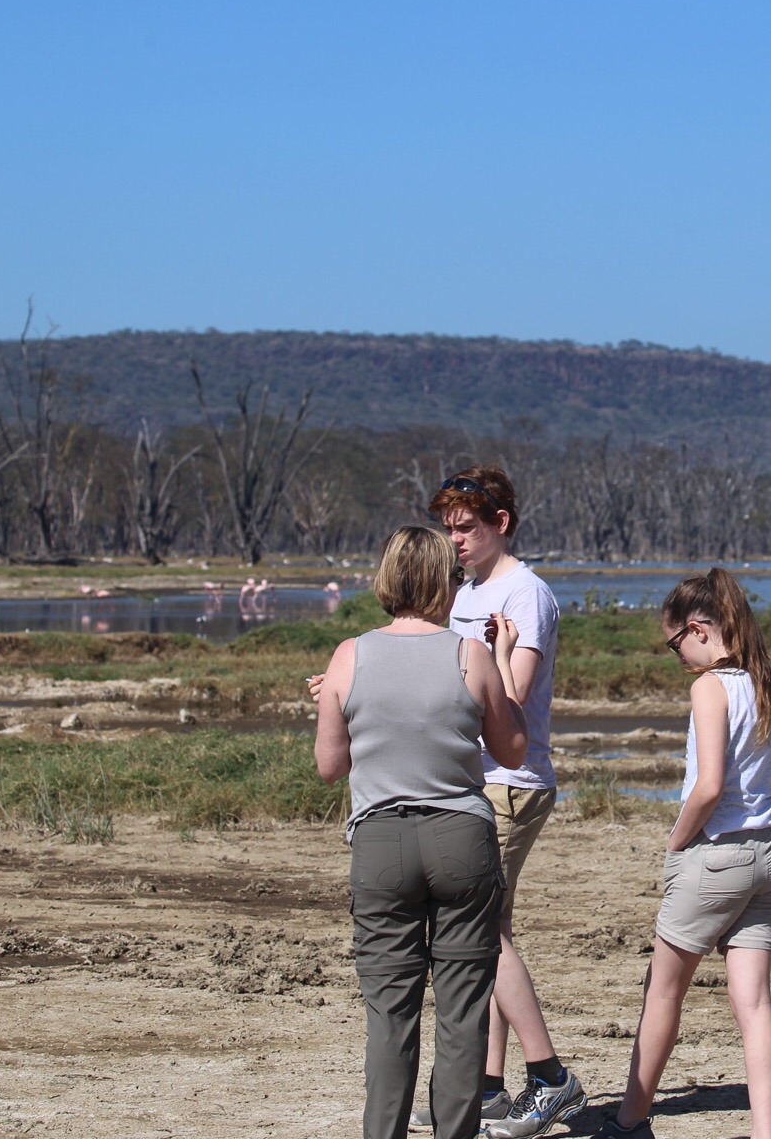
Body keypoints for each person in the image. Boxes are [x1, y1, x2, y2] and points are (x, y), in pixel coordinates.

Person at [313, 525, 530, 1139]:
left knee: (390, 1014)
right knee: (462, 1014)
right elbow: (512, 749)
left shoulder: (348, 655)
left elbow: (331, 767)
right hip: (461, 836)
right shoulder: (470, 654)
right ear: (444, 582)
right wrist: (506, 668)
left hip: (380, 840)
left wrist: (334, 706)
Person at [591, 568, 771, 1139]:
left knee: (662, 990)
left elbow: (709, 786)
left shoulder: (710, 688)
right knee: (754, 1003)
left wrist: (677, 843)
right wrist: (763, 826)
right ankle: (763, 1132)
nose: (678, 658)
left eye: (675, 645)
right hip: (768, 858)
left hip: (714, 857)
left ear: (698, 629)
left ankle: (630, 1119)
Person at [424, 467, 585, 1139]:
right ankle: (488, 1088)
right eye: (449, 528)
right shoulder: (466, 590)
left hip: (506, 785)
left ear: (501, 524)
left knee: (479, 931)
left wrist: (490, 658)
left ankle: (551, 1079)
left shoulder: (526, 594)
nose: (455, 540)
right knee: (492, 931)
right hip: (466, 779)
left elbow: (506, 713)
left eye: (468, 528)